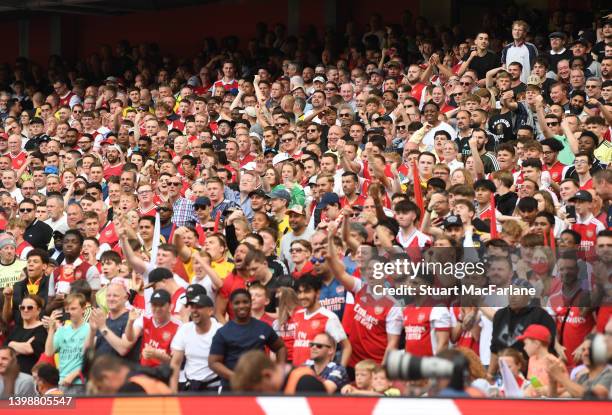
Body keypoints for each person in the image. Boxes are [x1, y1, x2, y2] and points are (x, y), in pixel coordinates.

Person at [209, 289, 286, 390]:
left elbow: (280, 347)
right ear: (231, 305)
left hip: (259, 386)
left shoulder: (263, 327)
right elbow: (213, 362)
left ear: (250, 303)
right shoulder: (223, 332)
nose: (241, 306)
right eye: (237, 303)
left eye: (245, 302)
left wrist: (279, 370)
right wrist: (236, 377)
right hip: (231, 388)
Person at [170, 293, 221, 392]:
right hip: (190, 386)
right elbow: (175, 363)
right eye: (192, 307)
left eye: (199, 307)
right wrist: (173, 393)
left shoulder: (219, 331)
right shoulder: (185, 329)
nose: (194, 311)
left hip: (213, 387)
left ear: (210, 311)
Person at [43, 293, 89, 393]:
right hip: (63, 382)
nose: (69, 312)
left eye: (73, 309)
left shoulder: (90, 329)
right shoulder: (62, 330)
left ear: (83, 309)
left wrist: (74, 374)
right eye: (67, 309)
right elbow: (48, 353)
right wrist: (51, 329)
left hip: (82, 382)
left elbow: (91, 359)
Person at [126, 289, 180, 368]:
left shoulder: (178, 327)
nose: (157, 309)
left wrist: (156, 355)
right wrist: (130, 322)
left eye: (161, 305)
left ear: (170, 306)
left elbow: (175, 362)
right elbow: (130, 338)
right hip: (145, 370)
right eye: (154, 305)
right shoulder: (145, 319)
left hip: (165, 373)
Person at [5, 295, 47, 374]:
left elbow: (29, 349)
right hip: (11, 376)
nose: (25, 310)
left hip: (32, 377)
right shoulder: (16, 329)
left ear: (39, 310)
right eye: (22, 308)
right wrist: (19, 345)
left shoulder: (43, 329)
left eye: (30, 307)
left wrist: (11, 344)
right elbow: (5, 351)